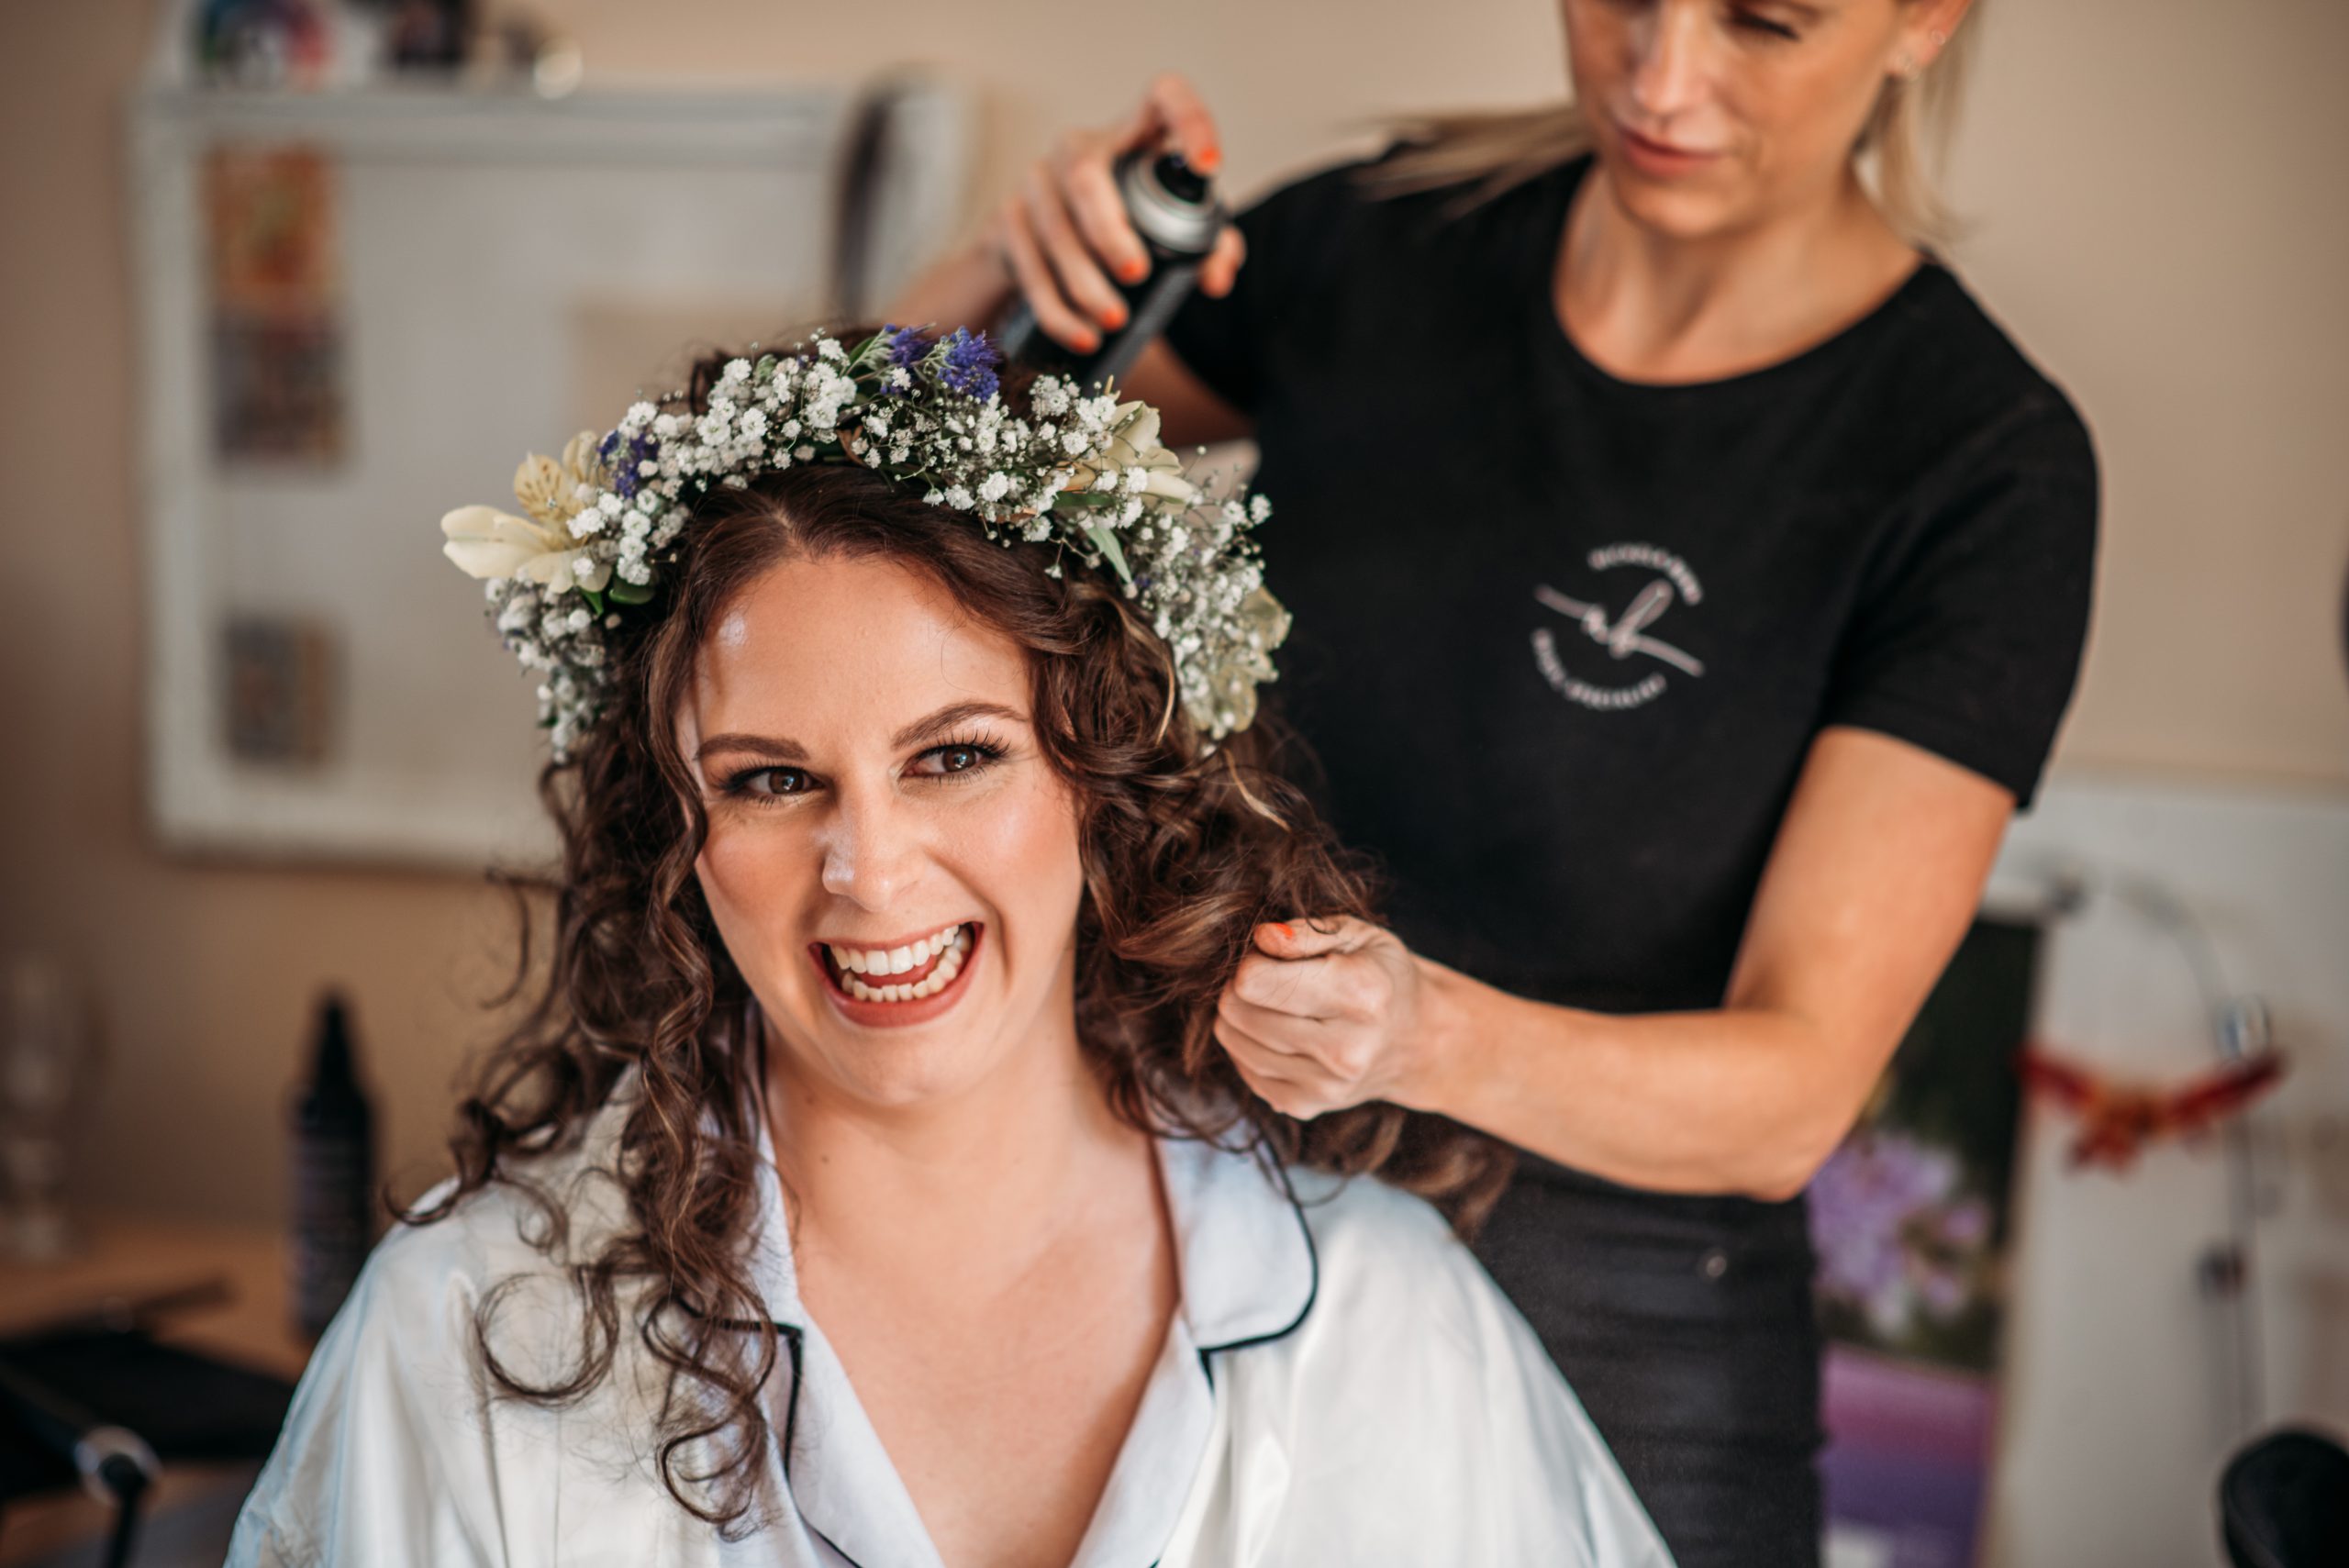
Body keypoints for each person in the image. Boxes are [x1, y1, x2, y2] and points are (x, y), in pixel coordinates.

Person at [889, 1, 2098, 1562]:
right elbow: (895, 485)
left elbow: (1788, 1091)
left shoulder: (1975, 463)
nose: (1660, 80)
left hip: (1617, 1315)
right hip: (1201, 1225)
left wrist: (1419, 1031)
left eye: (1763, 23)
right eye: (1621, 0)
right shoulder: (1385, 246)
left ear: (1924, 19)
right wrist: (1015, 256)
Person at [226, 328, 1675, 1567]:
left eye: (955, 756)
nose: (868, 874)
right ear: (676, 836)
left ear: (1103, 775)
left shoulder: (1386, 1317)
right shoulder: (469, 1333)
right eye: (770, 780)